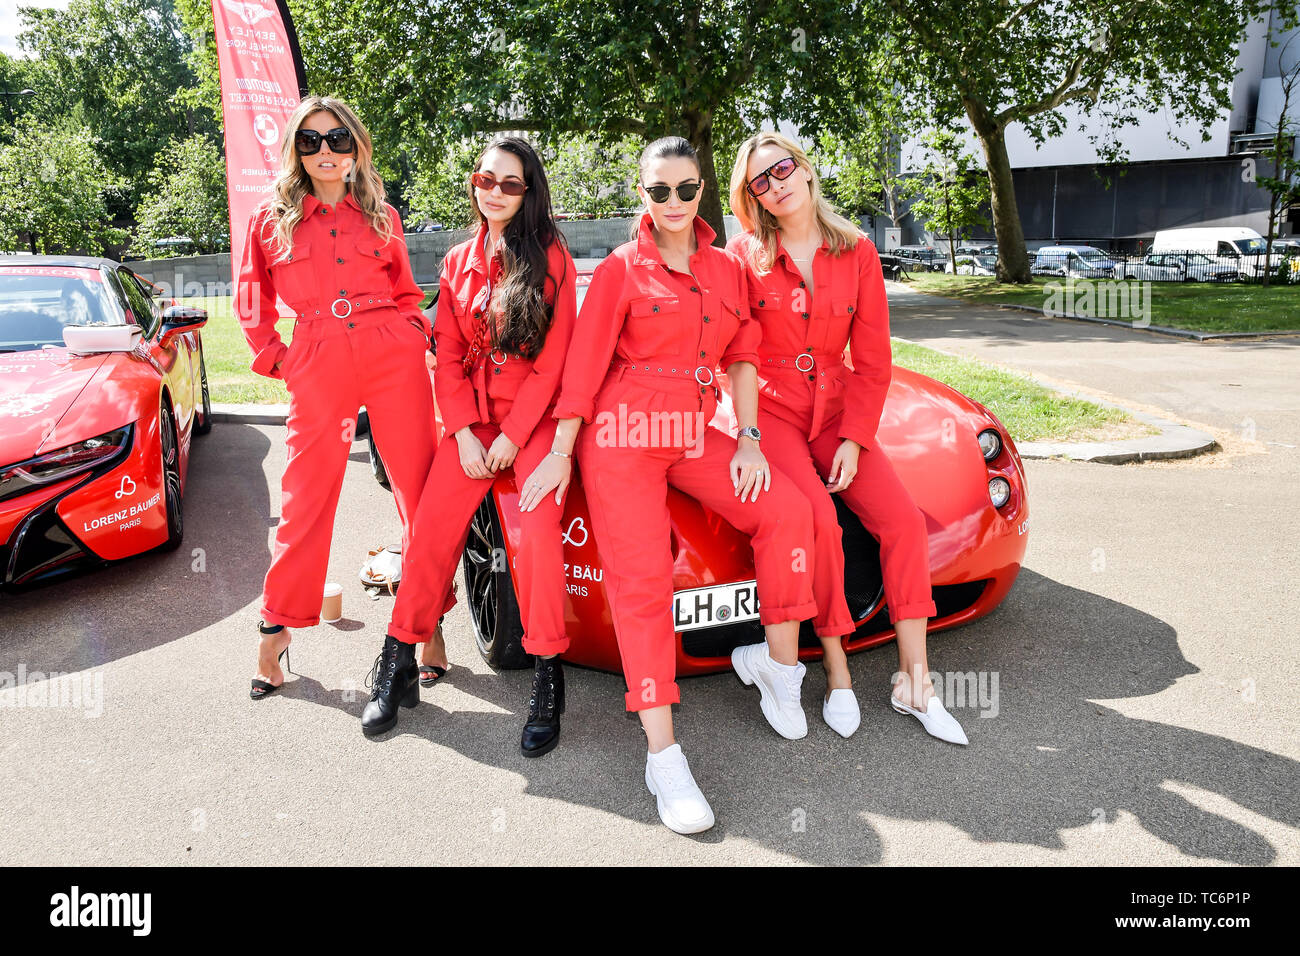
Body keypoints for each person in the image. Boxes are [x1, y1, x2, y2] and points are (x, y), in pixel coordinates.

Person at [521, 136, 818, 834]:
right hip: (621, 436)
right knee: (643, 582)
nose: (676, 202)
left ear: (702, 192)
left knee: (788, 509)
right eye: (660, 191)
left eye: (687, 189)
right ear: (642, 195)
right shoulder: (622, 270)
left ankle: (777, 666)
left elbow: (742, 359)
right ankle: (663, 753)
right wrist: (562, 450)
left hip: (689, 430)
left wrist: (748, 438)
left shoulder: (725, 268)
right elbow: (585, 371)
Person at [726, 131, 967, 745]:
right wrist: (748, 433)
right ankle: (837, 676)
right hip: (774, 414)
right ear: (752, 197)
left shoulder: (856, 250)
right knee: (819, 525)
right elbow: (738, 356)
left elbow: (875, 359)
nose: (775, 185)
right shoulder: (744, 255)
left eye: (782, 169)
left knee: (903, 524)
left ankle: (917, 685)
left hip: (837, 414)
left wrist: (856, 440)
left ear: (805, 170)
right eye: (760, 181)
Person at [365, 136, 578, 749]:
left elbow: (556, 363)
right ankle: (398, 658)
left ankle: (547, 673)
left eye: (510, 184)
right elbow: (449, 356)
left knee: (536, 534)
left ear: (530, 190)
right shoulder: (457, 260)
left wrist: (514, 437)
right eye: (485, 180)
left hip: (531, 426)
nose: (495, 192)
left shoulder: (552, 258)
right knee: (430, 530)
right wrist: (460, 432)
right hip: (470, 427)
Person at [238, 96, 436, 701]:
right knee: (305, 498)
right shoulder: (269, 220)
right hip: (318, 355)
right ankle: (275, 632)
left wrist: (414, 336)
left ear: (356, 148)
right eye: (310, 141)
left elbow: (407, 293)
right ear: (296, 151)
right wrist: (280, 358)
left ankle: (427, 628)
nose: (325, 151)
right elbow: (251, 301)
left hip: (391, 355)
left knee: (418, 489)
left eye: (337, 139)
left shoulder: (383, 218)